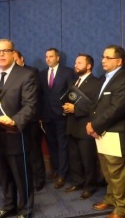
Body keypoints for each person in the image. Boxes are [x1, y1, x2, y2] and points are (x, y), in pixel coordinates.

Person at [0, 39, 37, 218]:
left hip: (15, 134)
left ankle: (25, 209)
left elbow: (30, 106)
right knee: (4, 175)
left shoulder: (26, 75)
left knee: (21, 175)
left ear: (13, 53)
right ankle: (9, 204)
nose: (1, 54)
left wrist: (14, 120)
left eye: (5, 51)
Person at [86, 45, 125, 218]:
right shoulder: (103, 78)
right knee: (107, 170)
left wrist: (95, 126)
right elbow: (96, 104)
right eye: (103, 56)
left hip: (116, 133)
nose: (103, 60)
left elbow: (117, 109)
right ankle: (110, 198)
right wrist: (91, 124)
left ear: (119, 61)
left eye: (108, 57)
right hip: (101, 132)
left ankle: (122, 208)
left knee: (117, 173)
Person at [62, 53, 100, 200]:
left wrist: (75, 109)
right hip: (71, 126)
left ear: (88, 66)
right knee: (74, 158)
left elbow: (94, 106)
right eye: (75, 62)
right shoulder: (73, 83)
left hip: (85, 128)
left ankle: (90, 186)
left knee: (87, 159)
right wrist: (65, 107)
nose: (75, 65)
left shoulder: (96, 83)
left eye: (79, 63)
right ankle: (78, 182)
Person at [39, 47, 76, 189]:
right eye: (46, 56)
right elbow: (41, 96)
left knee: (62, 145)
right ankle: (55, 169)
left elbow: (72, 93)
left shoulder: (67, 72)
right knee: (52, 145)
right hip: (47, 116)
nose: (48, 59)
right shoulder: (42, 74)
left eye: (51, 56)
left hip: (62, 115)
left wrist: (68, 108)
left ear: (58, 58)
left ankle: (63, 174)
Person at [14, 50, 46, 192]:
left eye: (15, 59)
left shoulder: (31, 72)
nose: (13, 62)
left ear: (22, 59)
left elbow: (35, 95)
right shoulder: (9, 74)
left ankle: (39, 180)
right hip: (14, 120)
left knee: (34, 150)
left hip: (31, 119)